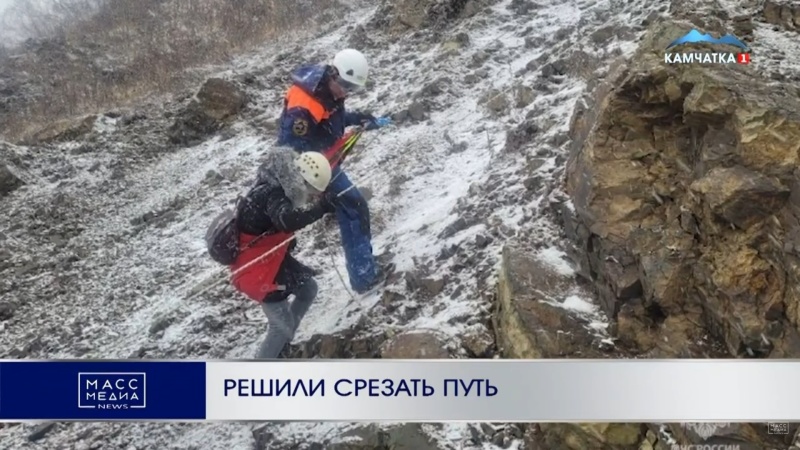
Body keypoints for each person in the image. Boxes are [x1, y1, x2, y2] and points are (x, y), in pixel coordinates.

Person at [276, 48, 393, 294]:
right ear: (334, 75)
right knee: (354, 208)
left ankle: (364, 267)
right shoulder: (303, 105)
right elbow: (291, 148)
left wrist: (358, 118)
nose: (347, 92)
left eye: (353, 89)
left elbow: (331, 118)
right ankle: (364, 276)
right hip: (312, 169)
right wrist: (315, 187)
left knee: (353, 208)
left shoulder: (329, 89)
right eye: (346, 86)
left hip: (324, 162)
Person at [230, 146, 337, 359]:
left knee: (308, 289)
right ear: (303, 179)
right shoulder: (274, 192)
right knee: (281, 326)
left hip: (271, 259)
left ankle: (281, 347)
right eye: (310, 191)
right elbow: (285, 219)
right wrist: (321, 208)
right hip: (256, 268)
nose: (309, 197)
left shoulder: (274, 183)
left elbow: (270, 222)